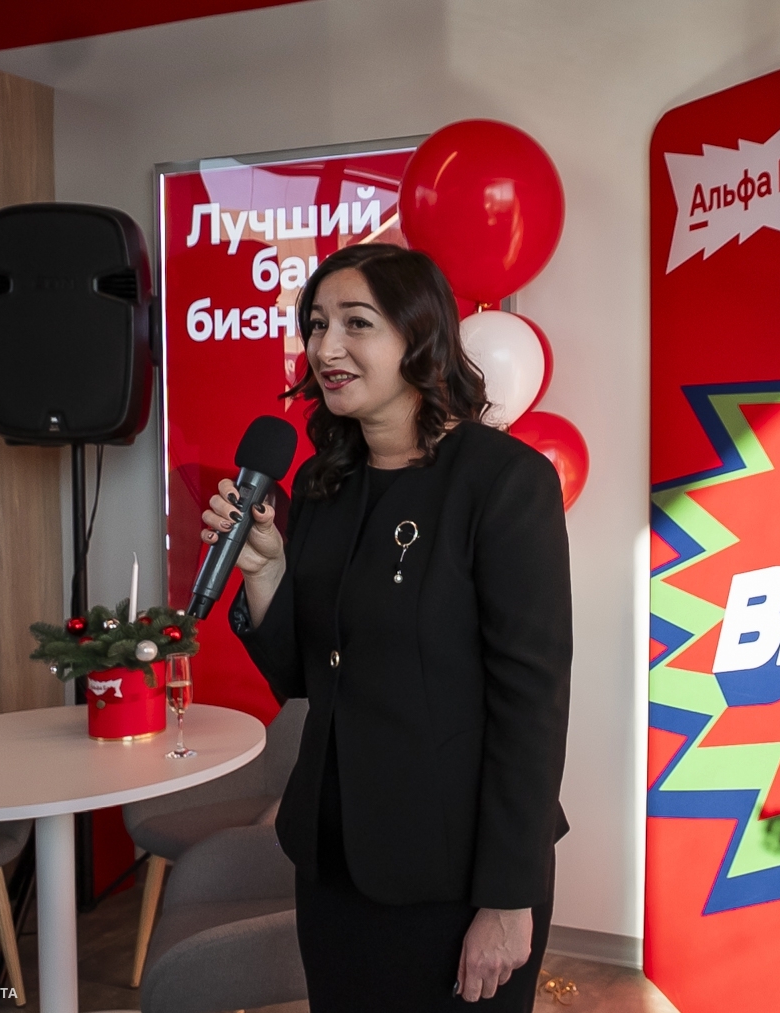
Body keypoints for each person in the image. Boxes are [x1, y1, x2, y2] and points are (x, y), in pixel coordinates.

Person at [200, 243, 571, 1011]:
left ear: (420, 333)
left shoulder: (504, 481)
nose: (326, 347)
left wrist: (507, 897)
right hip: (334, 863)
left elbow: (531, 707)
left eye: (356, 323)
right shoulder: (324, 483)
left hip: (456, 873)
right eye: (316, 324)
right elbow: (304, 675)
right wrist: (266, 570)